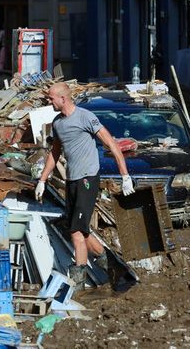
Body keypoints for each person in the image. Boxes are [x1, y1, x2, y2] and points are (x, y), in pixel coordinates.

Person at [35, 82, 135, 293]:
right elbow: (55, 153)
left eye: (51, 98)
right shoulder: (57, 123)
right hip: (72, 180)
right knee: (82, 233)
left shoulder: (85, 117)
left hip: (87, 179)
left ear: (63, 98)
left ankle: (77, 287)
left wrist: (125, 175)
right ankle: (119, 271)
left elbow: (111, 144)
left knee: (77, 232)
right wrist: (43, 179)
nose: (48, 101)